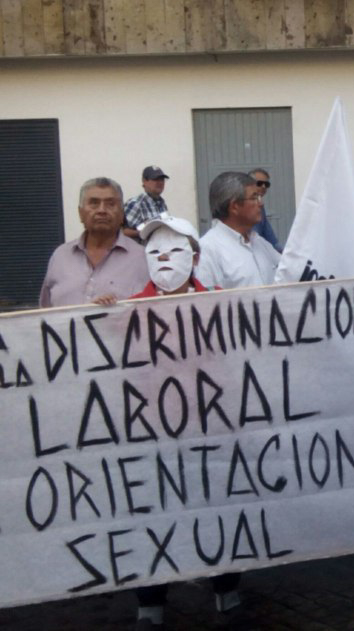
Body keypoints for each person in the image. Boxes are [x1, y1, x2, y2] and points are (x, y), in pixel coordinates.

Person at [129, 213, 223, 629]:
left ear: (196, 256)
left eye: (176, 248)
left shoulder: (222, 302)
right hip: (151, 437)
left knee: (221, 509)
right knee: (152, 516)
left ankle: (227, 586)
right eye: (155, 250)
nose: (165, 257)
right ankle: (151, 600)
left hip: (215, 433)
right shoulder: (125, 311)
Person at [40, 177, 149, 307]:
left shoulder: (142, 258)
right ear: (80, 213)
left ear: (121, 214)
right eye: (94, 203)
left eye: (110, 204)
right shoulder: (60, 257)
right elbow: (44, 315)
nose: (102, 210)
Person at [196, 171, 281, 289]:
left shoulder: (259, 242)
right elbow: (205, 301)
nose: (261, 203)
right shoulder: (208, 249)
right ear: (234, 206)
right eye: (254, 197)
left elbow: (288, 272)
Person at [122, 166, 170, 240]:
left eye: (162, 179)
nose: (160, 182)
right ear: (144, 181)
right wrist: (144, 232)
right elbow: (122, 232)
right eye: (155, 179)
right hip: (141, 250)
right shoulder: (136, 203)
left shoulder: (162, 203)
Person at [249, 168, 283, 251]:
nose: (263, 186)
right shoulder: (245, 206)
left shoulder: (260, 206)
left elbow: (270, 238)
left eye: (266, 184)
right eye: (259, 183)